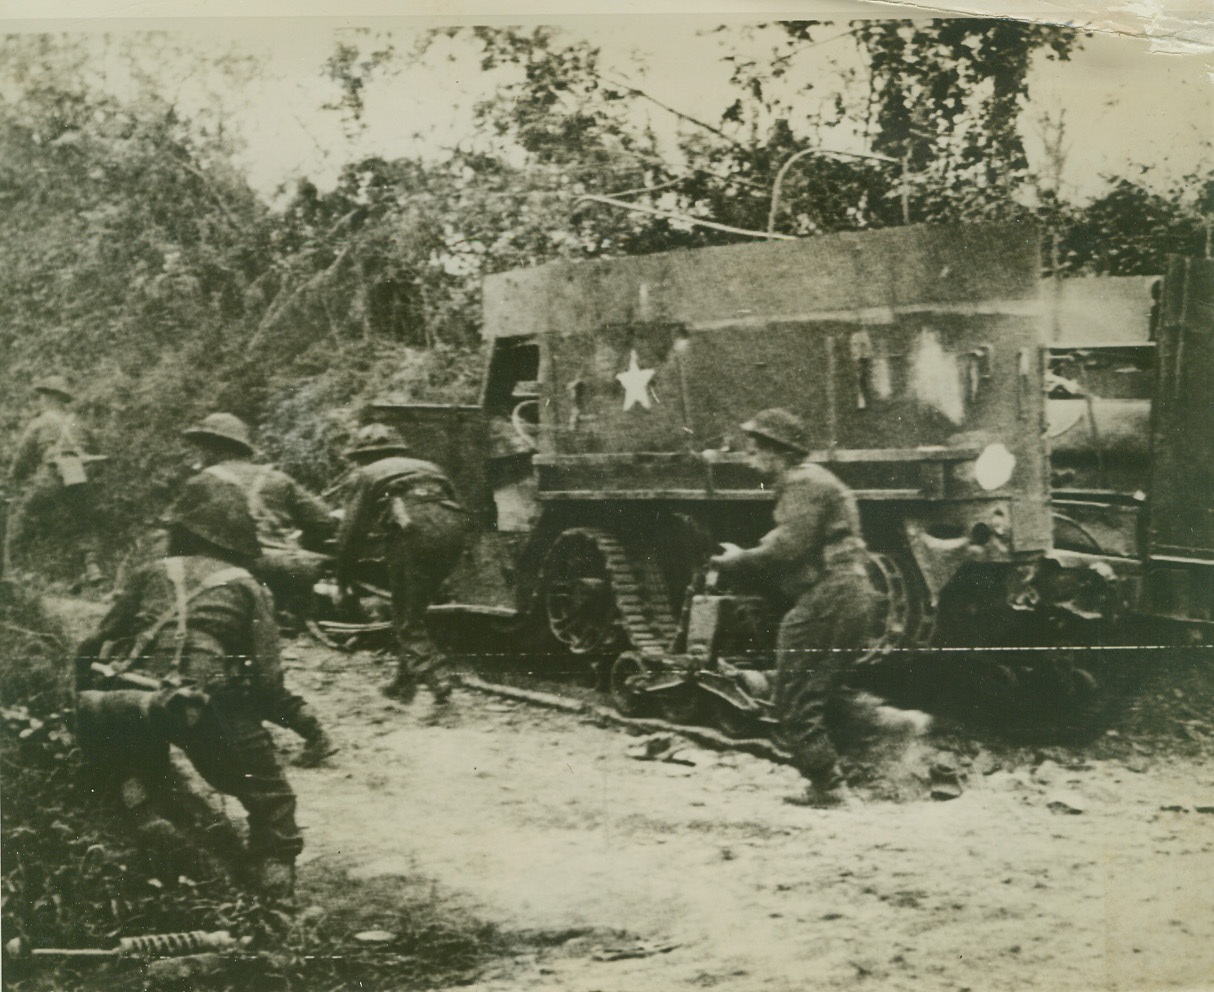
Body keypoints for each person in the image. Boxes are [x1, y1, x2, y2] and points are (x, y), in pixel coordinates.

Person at [74, 474, 334, 898]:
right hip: (202, 701)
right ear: (237, 539)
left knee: (132, 755)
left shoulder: (150, 572)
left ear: (182, 529)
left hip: (133, 695)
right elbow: (269, 683)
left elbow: (93, 641)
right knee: (271, 798)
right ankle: (274, 896)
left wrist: (81, 701)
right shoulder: (250, 587)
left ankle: (144, 812)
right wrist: (275, 717)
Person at [709, 408, 877, 807]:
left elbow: (789, 546)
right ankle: (880, 737)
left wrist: (737, 560)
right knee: (823, 688)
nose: (750, 460)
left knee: (793, 697)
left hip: (829, 596)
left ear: (777, 452)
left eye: (755, 451)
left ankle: (829, 787)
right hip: (849, 593)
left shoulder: (801, 483)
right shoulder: (815, 481)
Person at [335, 423, 470, 703]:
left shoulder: (367, 474)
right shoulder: (430, 467)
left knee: (406, 616)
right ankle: (403, 683)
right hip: (454, 531)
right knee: (412, 607)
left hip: (413, 533)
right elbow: (457, 503)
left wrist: (342, 578)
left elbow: (351, 532)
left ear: (363, 455)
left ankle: (436, 675)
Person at [182, 413, 335, 625]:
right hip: (292, 570)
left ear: (213, 448)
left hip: (233, 575)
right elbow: (323, 522)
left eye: (201, 446)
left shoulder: (200, 482)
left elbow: (182, 540)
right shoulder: (276, 478)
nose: (198, 452)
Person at [3, 375, 103, 587]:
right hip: (82, 477)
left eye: (43, 395)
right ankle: (91, 566)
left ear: (51, 397)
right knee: (84, 522)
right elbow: (96, 451)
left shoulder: (39, 423)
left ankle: (16, 574)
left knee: (20, 519)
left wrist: (14, 479)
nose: (40, 399)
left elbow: (21, 460)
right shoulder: (80, 422)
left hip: (51, 477)